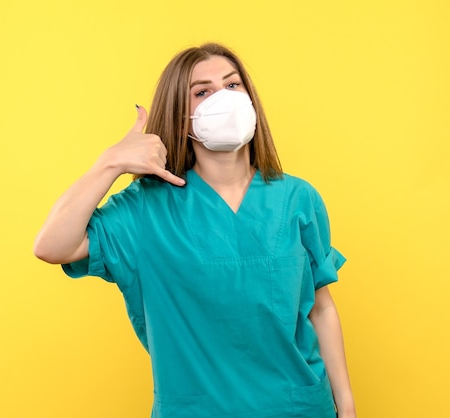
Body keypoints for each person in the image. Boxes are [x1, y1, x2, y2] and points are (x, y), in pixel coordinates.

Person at [34, 42, 356, 418]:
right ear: (181, 116)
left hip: (297, 408)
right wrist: (110, 163)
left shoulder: (298, 198)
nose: (224, 98)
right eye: (202, 91)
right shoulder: (146, 208)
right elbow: (52, 245)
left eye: (233, 85)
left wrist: (346, 404)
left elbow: (320, 306)